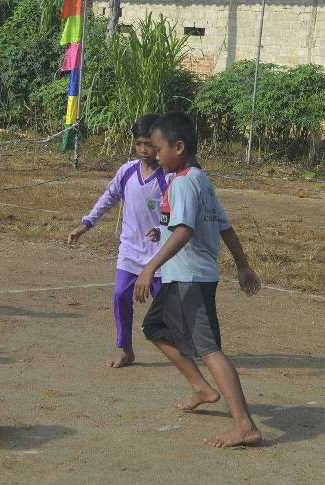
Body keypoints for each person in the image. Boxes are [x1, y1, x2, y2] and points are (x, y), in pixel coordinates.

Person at [134, 112, 262, 448]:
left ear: (179, 147)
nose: (155, 155)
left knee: (209, 350)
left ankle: (244, 424)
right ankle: (200, 388)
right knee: (155, 328)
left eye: (159, 148)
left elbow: (186, 230)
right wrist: (243, 265)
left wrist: (149, 267)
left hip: (189, 279)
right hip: (182, 279)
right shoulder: (201, 179)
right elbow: (222, 226)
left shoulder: (184, 182)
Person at [68, 114, 167, 369]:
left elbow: (177, 213)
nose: (144, 150)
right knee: (120, 296)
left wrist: (161, 228)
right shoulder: (127, 171)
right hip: (130, 253)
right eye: (139, 144)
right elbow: (108, 198)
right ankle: (126, 350)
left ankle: (188, 346)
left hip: (159, 257)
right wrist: (86, 224)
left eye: (149, 144)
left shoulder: (168, 177)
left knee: (168, 307)